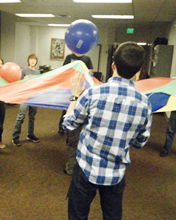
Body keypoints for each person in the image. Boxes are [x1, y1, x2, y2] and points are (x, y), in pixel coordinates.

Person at [63, 42, 153, 219]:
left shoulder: (92, 94)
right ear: (139, 71)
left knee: (77, 215)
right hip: (116, 173)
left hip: (85, 168)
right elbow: (140, 142)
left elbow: (68, 125)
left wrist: (74, 96)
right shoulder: (145, 103)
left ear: (113, 65)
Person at [60, 53, 94, 175]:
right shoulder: (69, 57)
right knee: (75, 140)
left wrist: (76, 95)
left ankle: (71, 168)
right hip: (75, 97)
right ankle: (75, 167)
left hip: (79, 101)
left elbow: (68, 123)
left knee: (73, 141)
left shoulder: (87, 59)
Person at [58, 52, 94, 136]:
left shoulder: (87, 58)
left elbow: (91, 72)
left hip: (83, 87)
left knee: (81, 107)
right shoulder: (69, 57)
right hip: (70, 86)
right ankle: (62, 127)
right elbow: (64, 71)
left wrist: (87, 71)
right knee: (67, 107)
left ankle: (77, 129)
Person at [12, 54, 41, 146]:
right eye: (31, 59)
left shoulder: (38, 72)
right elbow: (18, 84)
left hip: (34, 97)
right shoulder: (23, 71)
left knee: (32, 116)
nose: (32, 61)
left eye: (34, 60)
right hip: (25, 96)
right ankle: (15, 137)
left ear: (36, 61)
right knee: (21, 116)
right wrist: (23, 80)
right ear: (28, 61)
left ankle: (30, 134)